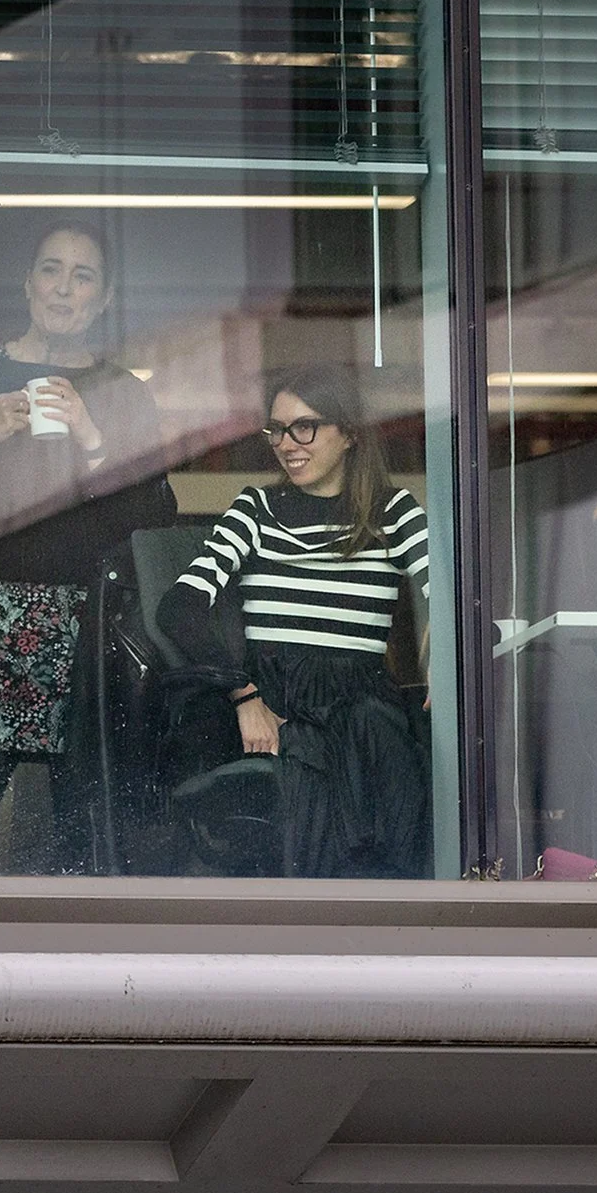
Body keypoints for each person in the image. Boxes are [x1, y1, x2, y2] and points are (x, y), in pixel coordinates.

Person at [0, 220, 174, 872]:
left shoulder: (120, 391)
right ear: (27, 285)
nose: (63, 288)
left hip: (88, 633)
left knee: (79, 833)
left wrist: (93, 438)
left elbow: (156, 520)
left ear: (102, 300)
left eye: (82, 277)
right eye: (51, 270)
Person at [155, 363, 430, 878]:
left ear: (347, 432)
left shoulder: (393, 512)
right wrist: (245, 695)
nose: (286, 443)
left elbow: (461, 601)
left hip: (360, 700)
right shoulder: (256, 507)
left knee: (388, 768)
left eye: (304, 426)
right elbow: (179, 609)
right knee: (312, 787)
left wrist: (445, 651)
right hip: (274, 699)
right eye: (276, 429)